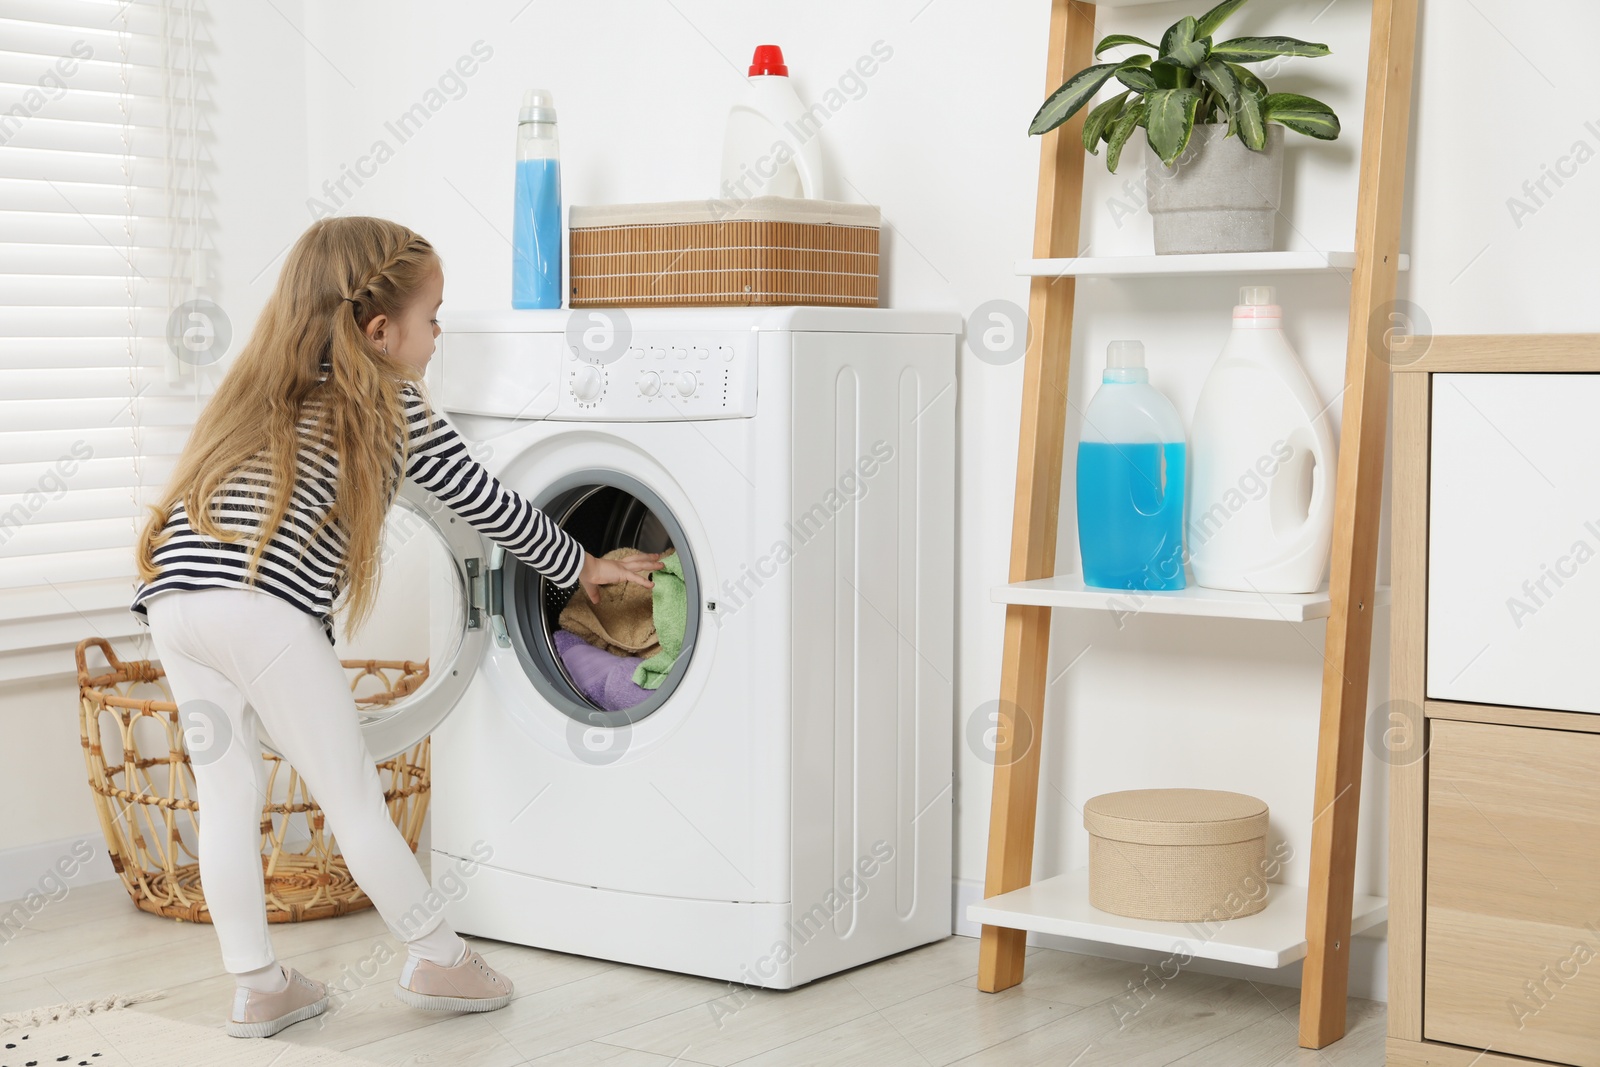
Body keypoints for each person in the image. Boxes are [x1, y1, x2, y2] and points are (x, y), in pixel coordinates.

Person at [129, 216, 662, 1038]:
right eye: (435, 316)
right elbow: (493, 506)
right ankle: (438, 956)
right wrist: (585, 567)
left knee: (226, 792)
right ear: (381, 332)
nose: (440, 334)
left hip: (174, 597)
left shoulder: (257, 390)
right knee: (351, 796)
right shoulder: (390, 405)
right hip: (258, 602)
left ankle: (260, 986)